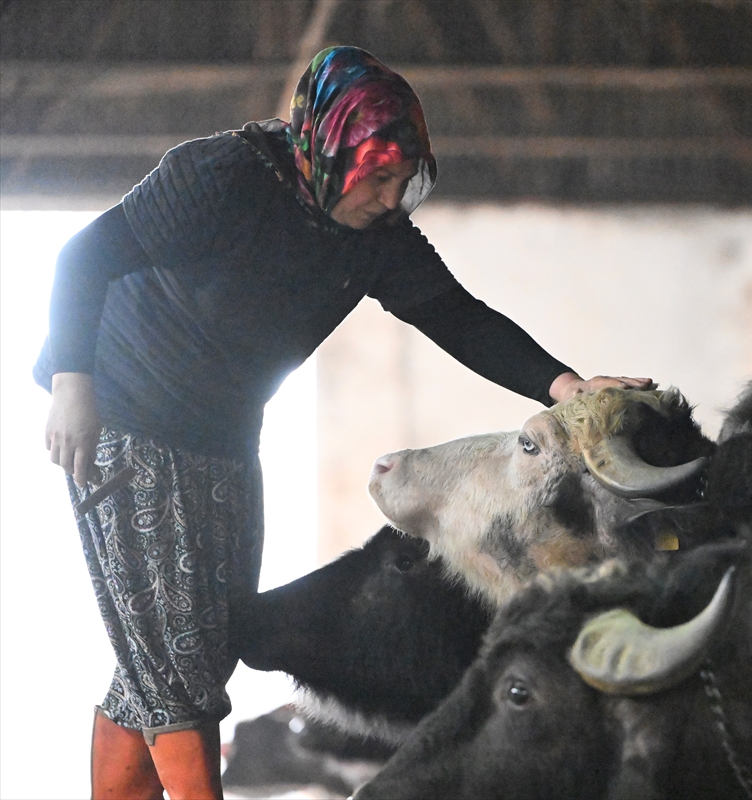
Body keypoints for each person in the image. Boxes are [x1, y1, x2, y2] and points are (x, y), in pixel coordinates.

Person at [37, 46, 650, 799]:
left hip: (225, 438)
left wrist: (569, 387)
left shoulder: (376, 240)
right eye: (378, 177)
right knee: (180, 661)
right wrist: (72, 382)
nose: (391, 199)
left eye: (403, 180)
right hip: (128, 421)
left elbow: (455, 316)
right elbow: (83, 257)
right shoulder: (221, 178)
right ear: (327, 153)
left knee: (195, 646)